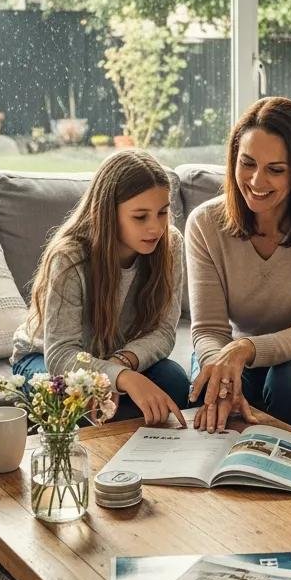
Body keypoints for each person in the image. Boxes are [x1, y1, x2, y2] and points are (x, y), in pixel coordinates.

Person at [185, 96, 291, 436]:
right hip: (237, 352)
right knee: (206, 387)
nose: (256, 181)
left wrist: (245, 349)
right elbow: (208, 331)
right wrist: (222, 372)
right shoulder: (205, 223)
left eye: (275, 170)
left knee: (289, 381)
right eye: (247, 163)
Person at [11, 149, 189, 427]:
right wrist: (121, 378)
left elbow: (163, 331)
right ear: (108, 213)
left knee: (174, 383)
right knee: (77, 402)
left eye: (162, 212)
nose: (156, 228)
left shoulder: (171, 245)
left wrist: (119, 366)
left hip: (117, 357)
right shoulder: (70, 257)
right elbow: (60, 354)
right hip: (43, 358)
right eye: (140, 217)